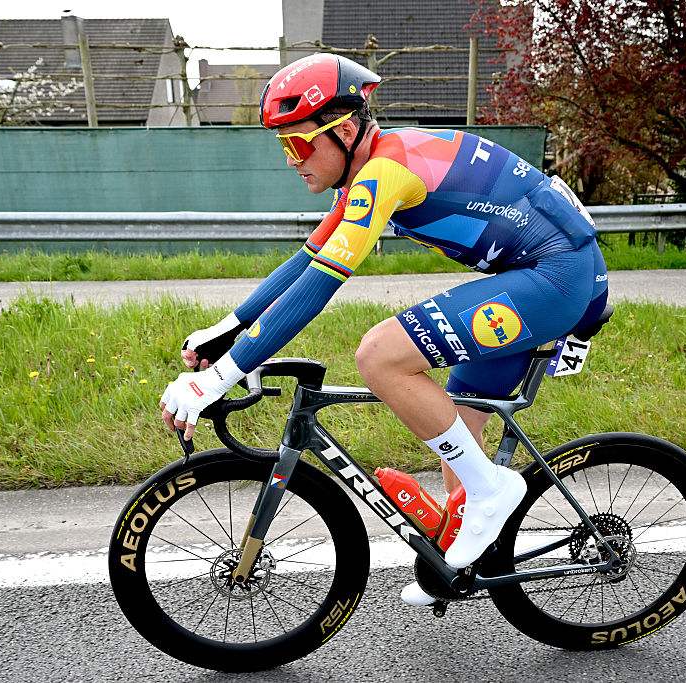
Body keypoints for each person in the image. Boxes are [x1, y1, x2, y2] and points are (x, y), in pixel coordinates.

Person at [160, 53, 609, 606]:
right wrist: (228, 328)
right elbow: (306, 260)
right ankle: (461, 563)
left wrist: (219, 379)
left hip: (554, 276)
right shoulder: (369, 167)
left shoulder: (385, 172)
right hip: (535, 274)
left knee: (380, 355)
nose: (290, 160)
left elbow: (322, 285)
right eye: (282, 146)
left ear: (344, 130)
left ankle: (495, 490)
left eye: (298, 144)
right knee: (457, 454)